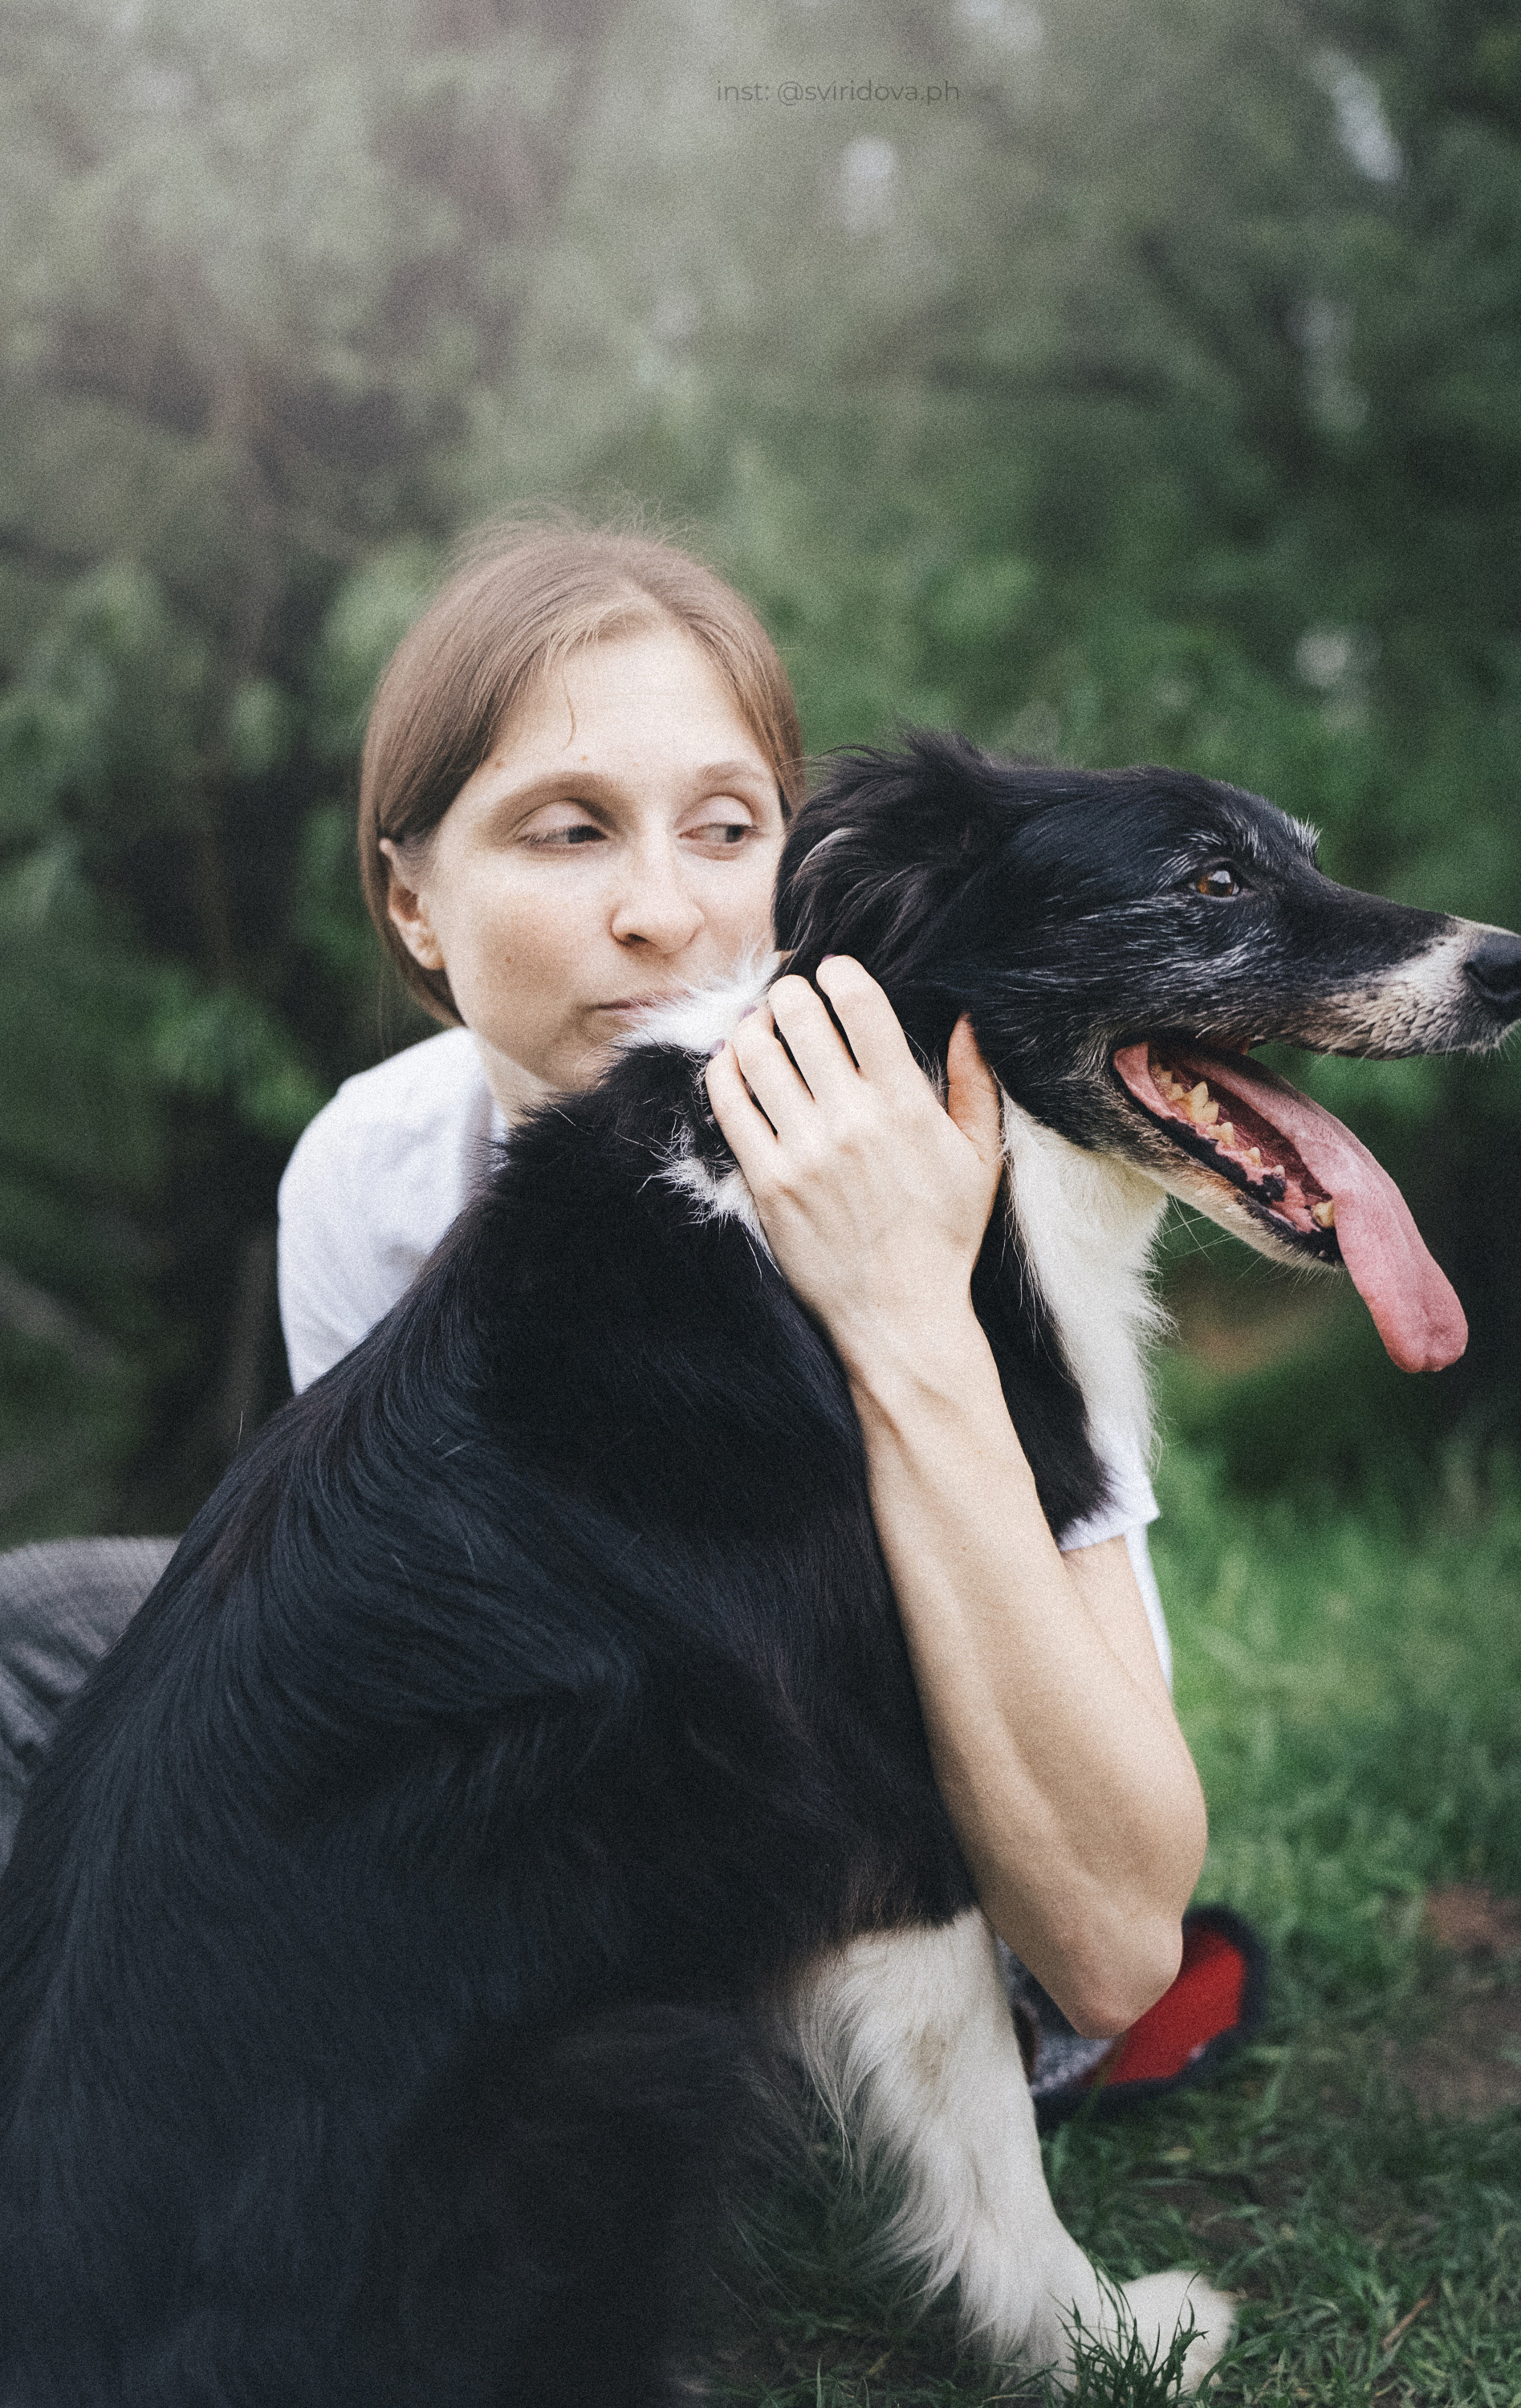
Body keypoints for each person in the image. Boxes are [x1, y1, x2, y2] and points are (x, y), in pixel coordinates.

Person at [275, 520, 1205, 2033]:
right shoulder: (372, 1176)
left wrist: (908, 1308)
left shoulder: (969, 1160)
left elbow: (1112, 1945)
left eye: (724, 829)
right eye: (568, 831)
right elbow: (389, 1681)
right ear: (412, 903)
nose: (665, 911)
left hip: (924, 1933)